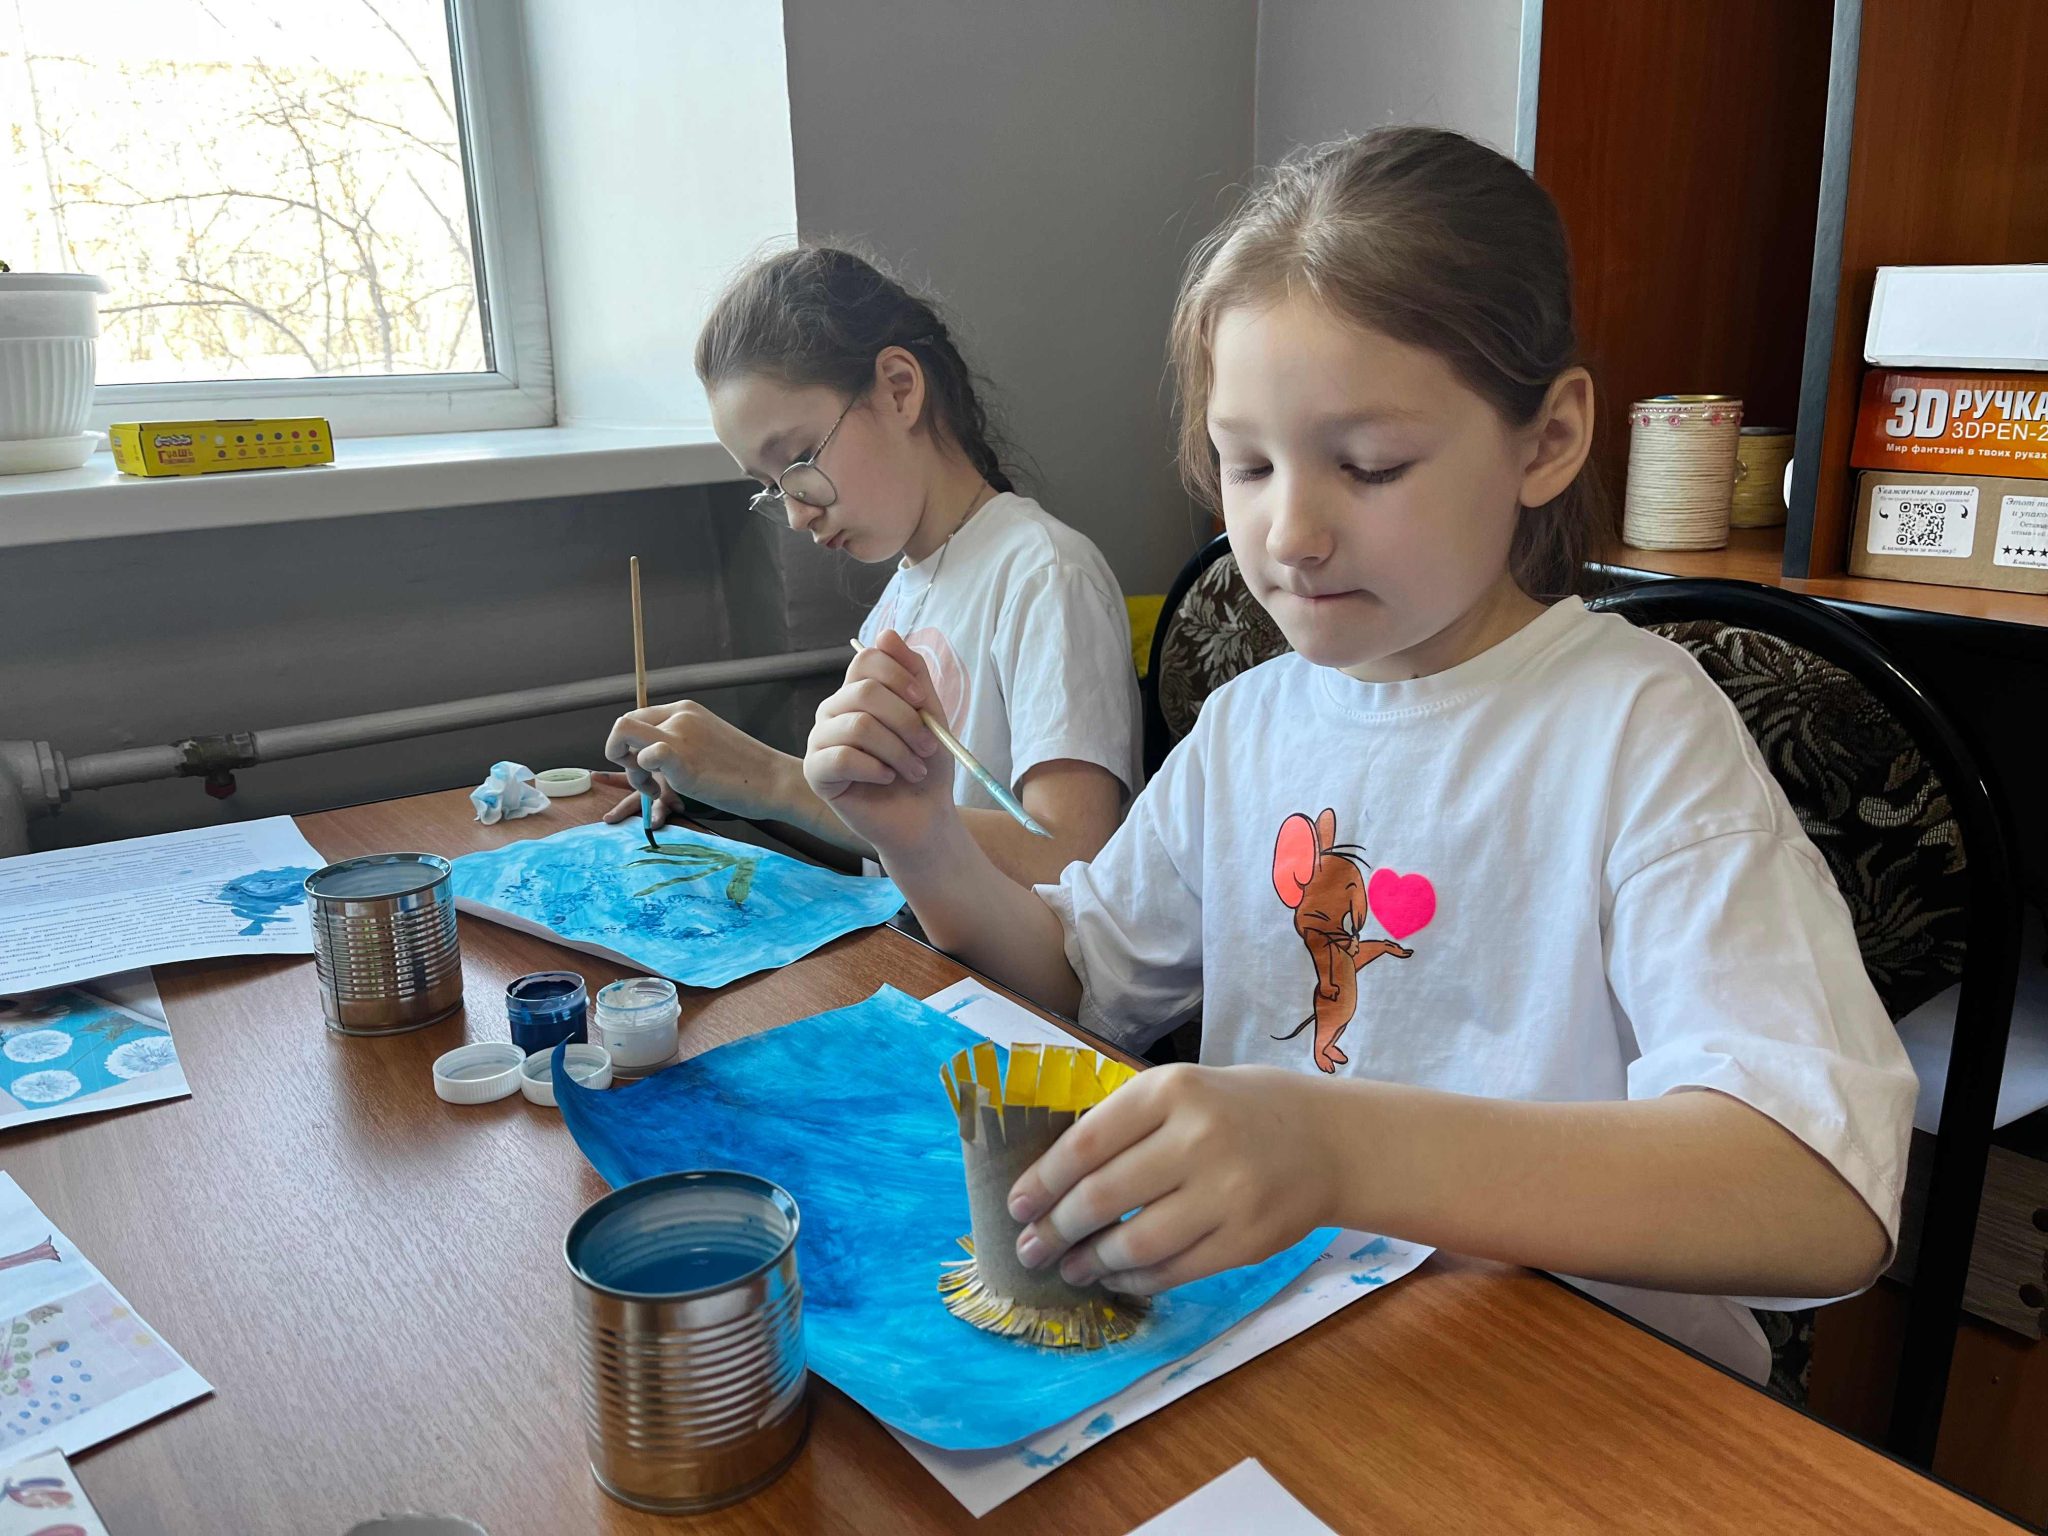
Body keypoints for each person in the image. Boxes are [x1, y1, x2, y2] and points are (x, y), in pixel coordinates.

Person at [799, 129, 1914, 1381]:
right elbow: (1077, 977)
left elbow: (1816, 1190)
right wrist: (923, 839)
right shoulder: (1251, 723)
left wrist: (1336, 1150)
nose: (1289, 533)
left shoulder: (1634, 730)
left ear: (1545, 440)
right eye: (1246, 464)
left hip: (1569, 1387)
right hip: (1292, 1350)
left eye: (1368, 466)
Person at [601, 246, 1141, 886]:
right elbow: (882, 854)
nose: (796, 515)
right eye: (771, 487)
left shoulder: (1045, 576)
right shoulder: (897, 605)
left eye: (798, 461)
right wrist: (728, 791)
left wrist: (776, 780)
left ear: (899, 389)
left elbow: (1072, 858)